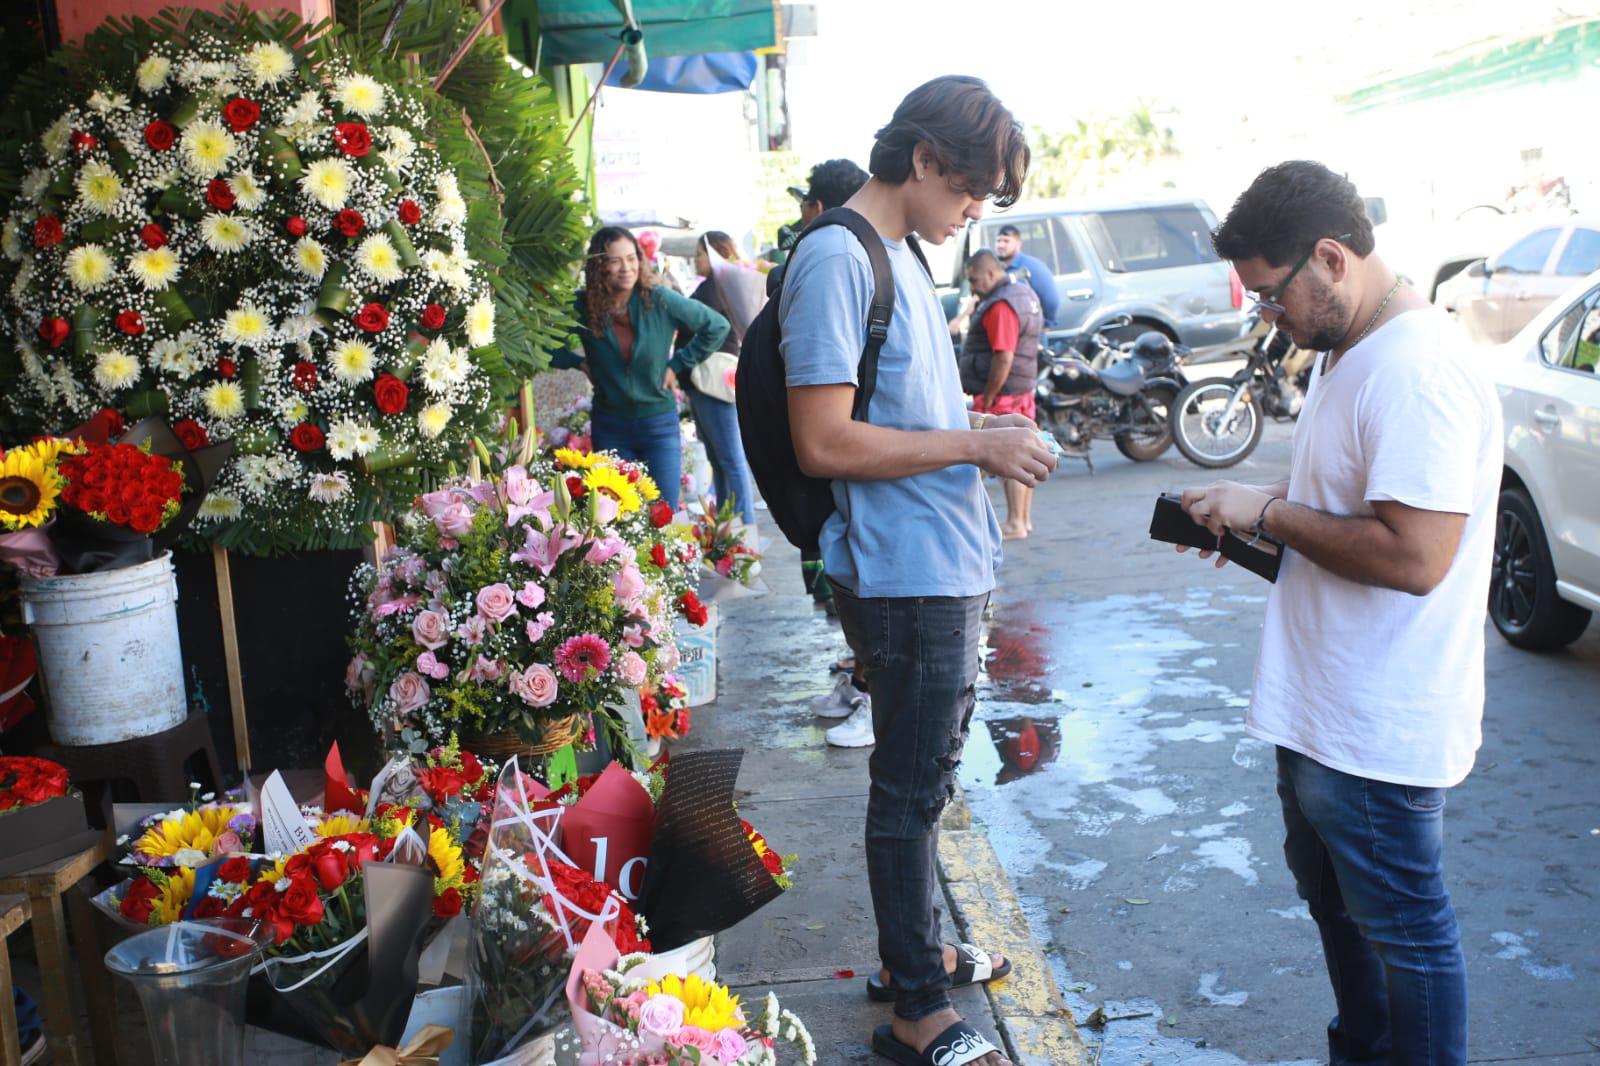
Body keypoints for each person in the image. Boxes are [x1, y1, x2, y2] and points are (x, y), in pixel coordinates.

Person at [1176, 161, 1501, 1066]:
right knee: (1344, 915)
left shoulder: (1416, 370)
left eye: (1272, 297)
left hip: (1374, 727)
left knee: (1406, 936)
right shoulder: (1348, 350)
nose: (1265, 318)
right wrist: (1253, 508)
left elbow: (1415, 554)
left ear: (1330, 258)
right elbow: (1351, 496)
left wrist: (1272, 515)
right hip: (1324, 712)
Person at [780, 74, 1054, 1066]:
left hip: (936, 563)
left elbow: (900, 422)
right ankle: (918, 1012)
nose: (975, 212)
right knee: (904, 795)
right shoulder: (836, 259)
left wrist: (985, 431)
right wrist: (975, 449)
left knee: (925, 784)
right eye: (972, 189)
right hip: (903, 578)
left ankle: (917, 952)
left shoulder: (898, 252)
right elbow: (824, 441)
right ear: (927, 159)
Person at [551, 227, 728, 509]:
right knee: (615, 516)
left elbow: (716, 326)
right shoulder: (582, 306)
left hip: (658, 425)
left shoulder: (658, 299)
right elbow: (543, 342)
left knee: (663, 512)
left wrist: (679, 363)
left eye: (632, 258)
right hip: (610, 426)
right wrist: (578, 363)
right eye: (615, 260)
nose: (627, 268)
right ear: (599, 266)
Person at [783, 159, 871, 616]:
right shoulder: (846, 257)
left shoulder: (829, 257)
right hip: (845, 458)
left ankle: (859, 655)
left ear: (816, 207)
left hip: (846, 464)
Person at [959, 249, 1043, 540]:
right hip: (1021, 389)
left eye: (974, 279)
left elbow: (1003, 357)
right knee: (1024, 452)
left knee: (1012, 456)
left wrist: (991, 397)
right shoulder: (1022, 294)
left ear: (991, 274)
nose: (972, 286)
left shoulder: (1000, 305)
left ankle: (1015, 523)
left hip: (1003, 394)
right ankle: (1022, 521)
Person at [685, 231, 761, 524]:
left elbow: (694, 325)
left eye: (699, 254)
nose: (695, 260)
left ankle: (744, 528)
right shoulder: (723, 284)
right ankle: (729, 527)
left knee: (729, 459)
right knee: (721, 460)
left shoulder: (715, 288)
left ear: (715, 253)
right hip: (711, 379)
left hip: (714, 380)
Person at [995, 223, 1060, 327]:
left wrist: (1045, 325)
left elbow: (1051, 300)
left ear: (1018, 244)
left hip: (1031, 334)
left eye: (1006, 241)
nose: (1001, 245)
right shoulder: (996, 269)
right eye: (998, 241)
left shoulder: (1033, 267)